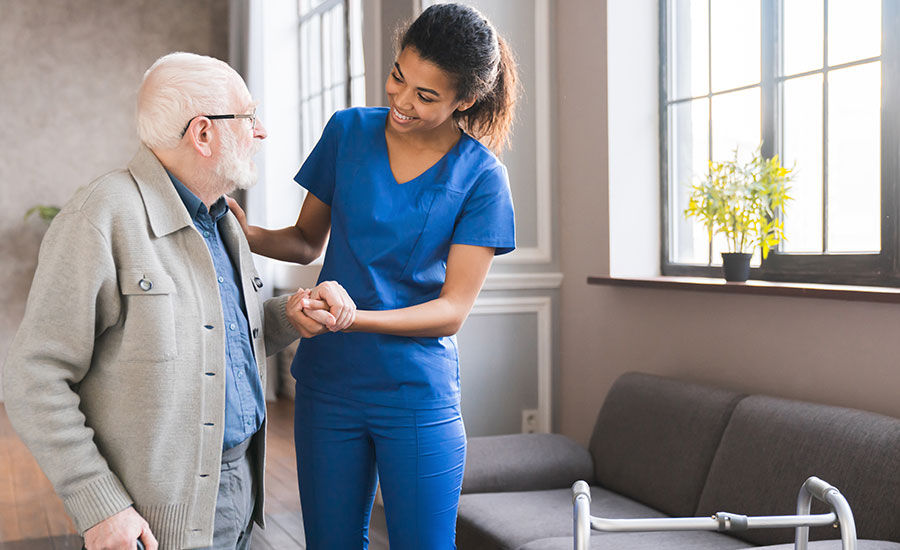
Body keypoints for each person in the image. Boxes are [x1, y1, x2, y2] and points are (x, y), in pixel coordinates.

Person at [2, 52, 355, 550]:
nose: (261, 132)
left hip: (240, 487)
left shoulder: (224, 220)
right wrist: (102, 507)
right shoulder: (100, 216)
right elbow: (33, 377)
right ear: (203, 134)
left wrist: (290, 315)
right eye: (248, 116)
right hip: (151, 520)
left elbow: (222, 336)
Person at [229, 4, 518, 548]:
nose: (402, 102)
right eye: (398, 77)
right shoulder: (348, 131)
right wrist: (249, 234)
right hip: (328, 385)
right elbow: (306, 240)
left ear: (466, 100)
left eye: (426, 96)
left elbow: (451, 311)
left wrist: (353, 317)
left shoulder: (482, 177)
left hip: (415, 392)